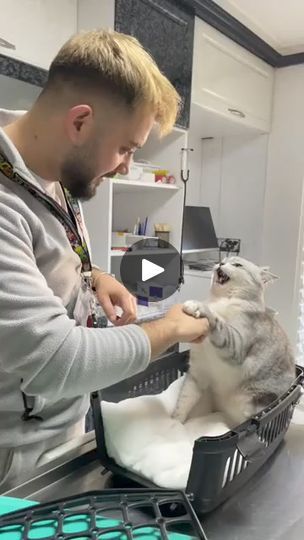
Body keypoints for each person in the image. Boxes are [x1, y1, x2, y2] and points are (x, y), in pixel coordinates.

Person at [0, 29, 209, 489]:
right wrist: (167, 330)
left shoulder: (48, 173)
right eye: (126, 148)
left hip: (61, 428)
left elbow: (42, 251)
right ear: (79, 122)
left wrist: (92, 275)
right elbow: (56, 358)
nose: (122, 167)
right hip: (14, 459)